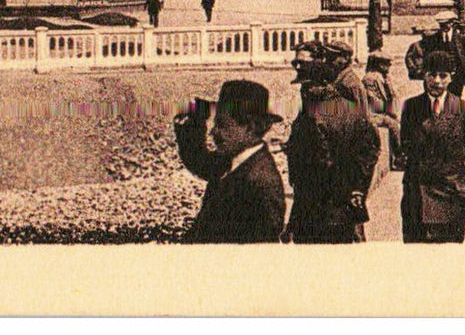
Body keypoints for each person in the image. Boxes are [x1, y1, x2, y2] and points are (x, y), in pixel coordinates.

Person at [283, 40, 380, 243]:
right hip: (329, 203)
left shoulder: (338, 100)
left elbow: (365, 138)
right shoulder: (320, 104)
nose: (298, 68)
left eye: (304, 65)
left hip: (326, 207)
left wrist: (354, 188)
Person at [172, 79, 286, 243]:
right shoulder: (236, 159)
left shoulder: (261, 183)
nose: (213, 133)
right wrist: (193, 123)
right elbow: (200, 162)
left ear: (250, 127)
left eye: (222, 125)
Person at [398, 50, 465, 243]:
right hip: (417, 192)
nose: (437, 81)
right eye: (431, 75)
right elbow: (406, 144)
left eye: (443, 76)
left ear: (451, 78)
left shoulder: (464, 109)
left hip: (451, 190)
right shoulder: (411, 107)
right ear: (424, 76)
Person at [406, 19, 465, 97]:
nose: (444, 27)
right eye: (441, 25)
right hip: (441, 76)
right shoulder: (433, 38)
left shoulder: (461, 38)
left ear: (451, 23)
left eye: (446, 24)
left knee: (455, 99)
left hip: (457, 76)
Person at [362, 51, 404, 169]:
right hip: (371, 113)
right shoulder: (370, 79)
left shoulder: (384, 77)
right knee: (392, 124)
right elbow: (374, 102)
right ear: (379, 65)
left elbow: (393, 96)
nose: (389, 67)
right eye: (387, 64)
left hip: (383, 111)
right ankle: (400, 157)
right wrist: (390, 111)